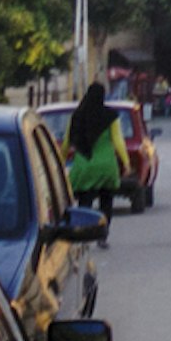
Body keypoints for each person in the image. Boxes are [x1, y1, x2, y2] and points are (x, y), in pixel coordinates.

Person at [61, 95, 122, 248]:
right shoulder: (110, 117)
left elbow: (67, 142)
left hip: (84, 167)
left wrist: (60, 161)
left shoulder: (76, 117)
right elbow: (118, 140)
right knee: (106, 202)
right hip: (106, 168)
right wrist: (126, 162)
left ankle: (84, 236)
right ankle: (103, 235)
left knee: (85, 203)